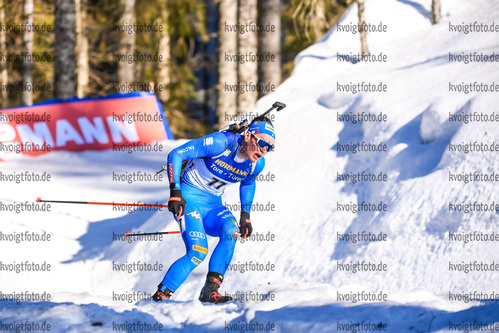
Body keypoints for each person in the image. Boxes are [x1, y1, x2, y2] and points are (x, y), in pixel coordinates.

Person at [152, 116, 276, 304]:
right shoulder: (221, 144)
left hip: (213, 205)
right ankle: (160, 297)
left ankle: (210, 290)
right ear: (248, 135)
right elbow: (176, 154)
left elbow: (249, 183)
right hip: (189, 198)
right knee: (197, 251)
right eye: (261, 143)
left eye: (270, 147)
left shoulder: (256, 164)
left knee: (231, 232)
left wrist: (245, 215)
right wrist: (175, 192)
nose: (264, 150)